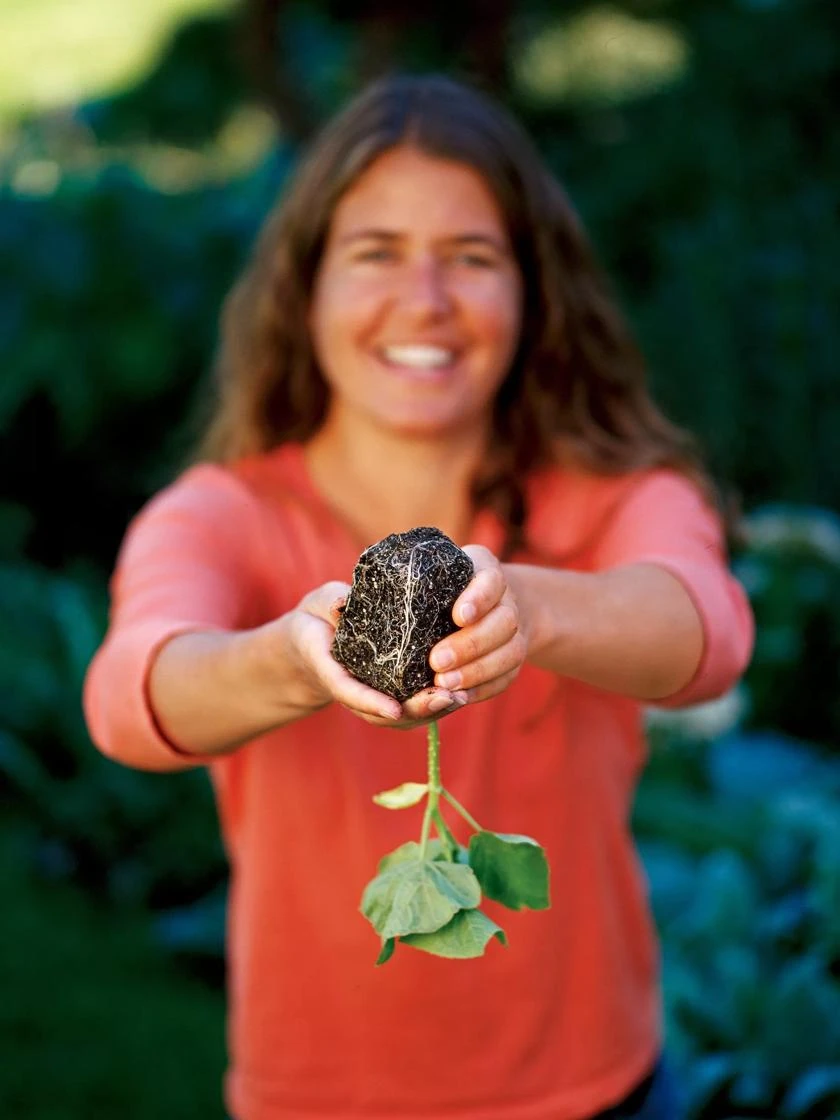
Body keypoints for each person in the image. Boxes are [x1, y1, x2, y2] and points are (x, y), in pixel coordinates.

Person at [83, 74, 754, 1120]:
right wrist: (290, 658)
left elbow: (707, 630)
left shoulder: (620, 497)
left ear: (535, 290)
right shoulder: (224, 514)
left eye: (473, 259)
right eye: (376, 254)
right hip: (319, 1097)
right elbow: (131, 697)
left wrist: (531, 610)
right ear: (304, 290)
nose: (426, 301)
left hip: (597, 1089)